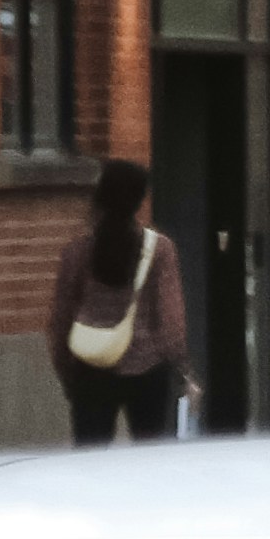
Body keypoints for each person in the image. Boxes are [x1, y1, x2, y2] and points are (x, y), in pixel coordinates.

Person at [46, 161, 192, 443]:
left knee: (93, 465)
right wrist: (183, 369)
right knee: (149, 462)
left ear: (99, 197)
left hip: (91, 368)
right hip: (148, 370)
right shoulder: (160, 250)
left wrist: (68, 373)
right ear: (139, 201)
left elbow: (60, 320)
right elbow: (171, 324)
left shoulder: (76, 252)